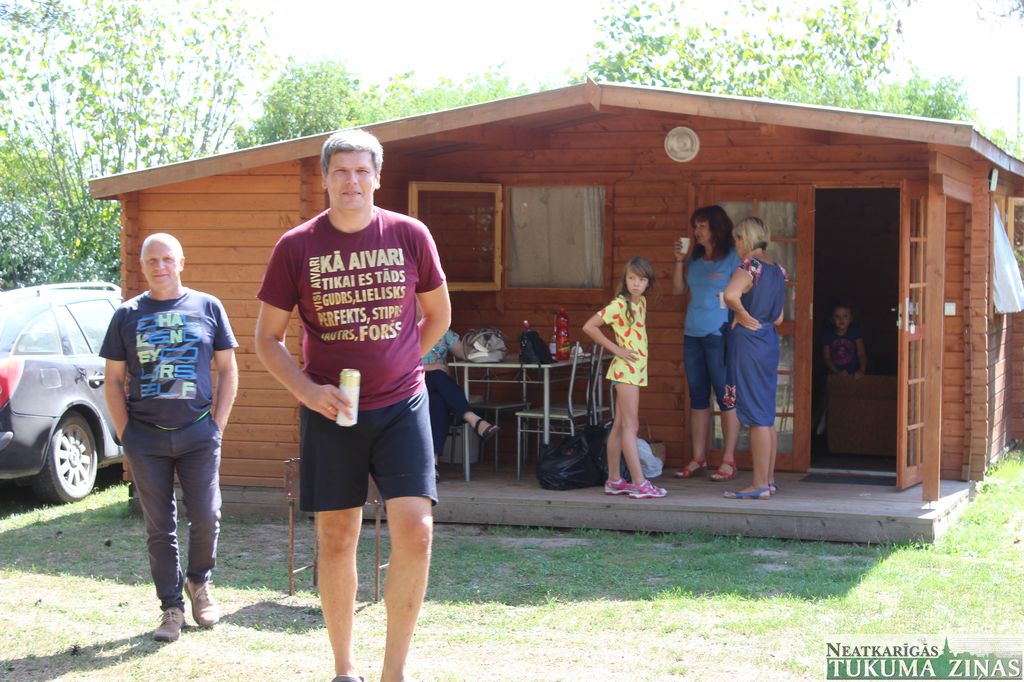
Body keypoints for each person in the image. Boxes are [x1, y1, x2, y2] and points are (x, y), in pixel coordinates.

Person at [254, 129, 450, 682]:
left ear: (378, 177)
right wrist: (307, 392)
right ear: (325, 178)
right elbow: (266, 338)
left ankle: (394, 672)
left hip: (403, 405)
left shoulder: (409, 234)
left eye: (362, 170)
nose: (352, 181)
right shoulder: (296, 246)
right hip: (331, 410)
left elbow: (438, 316)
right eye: (341, 171)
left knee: (417, 530)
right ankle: (345, 668)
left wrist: (402, 361)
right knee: (337, 537)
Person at [100, 232, 239, 642]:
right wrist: (126, 433)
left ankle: (199, 581)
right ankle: (171, 608)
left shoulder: (208, 306)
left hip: (199, 434)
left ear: (181, 262)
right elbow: (113, 380)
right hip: (146, 439)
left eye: (167, 259)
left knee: (207, 515)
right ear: (142, 266)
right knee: (160, 527)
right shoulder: (126, 315)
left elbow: (228, 369)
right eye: (152, 260)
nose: (159, 266)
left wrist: (217, 425)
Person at [582, 256, 667, 500]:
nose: (636, 283)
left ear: (648, 283)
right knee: (631, 426)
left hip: (634, 371)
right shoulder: (619, 304)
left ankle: (614, 480)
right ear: (625, 280)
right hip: (626, 371)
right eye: (632, 278)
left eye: (641, 279)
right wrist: (616, 349)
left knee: (620, 426)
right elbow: (589, 326)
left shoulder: (641, 303)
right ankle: (640, 483)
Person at [671, 205, 742, 482]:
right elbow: (679, 290)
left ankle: (728, 460)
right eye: (695, 226)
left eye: (702, 226)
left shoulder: (733, 257)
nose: (696, 231)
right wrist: (679, 260)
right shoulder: (695, 258)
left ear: (716, 228)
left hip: (719, 334)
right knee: (698, 396)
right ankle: (698, 458)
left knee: (726, 396)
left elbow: (743, 293)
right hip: (692, 334)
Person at [721, 217, 787, 500]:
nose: (735, 245)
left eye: (737, 239)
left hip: (748, 342)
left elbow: (730, 294)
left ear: (745, 239)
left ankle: (758, 485)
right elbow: (779, 317)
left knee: (757, 417)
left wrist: (742, 314)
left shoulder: (750, 266)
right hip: (768, 340)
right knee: (766, 415)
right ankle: (768, 480)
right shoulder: (778, 270)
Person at [423, 328, 498, 480]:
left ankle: (432, 465)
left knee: (438, 402)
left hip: (436, 388)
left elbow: (465, 353)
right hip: (410, 385)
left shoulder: (441, 328)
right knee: (438, 374)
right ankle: (473, 419)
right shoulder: (403, 328)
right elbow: (396, 364)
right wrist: (429, 367)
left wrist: (484, 346)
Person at [823, 303, 867, 377]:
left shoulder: (855, 332)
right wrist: (837, 372)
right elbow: (826, 358)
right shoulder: (828, 335)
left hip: (854, 375)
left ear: (851, 318)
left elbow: (861, 354)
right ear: (832, 319)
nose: (841, 319)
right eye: (837, 316)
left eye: (845, 316)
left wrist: (861, 370)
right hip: (835, 375)